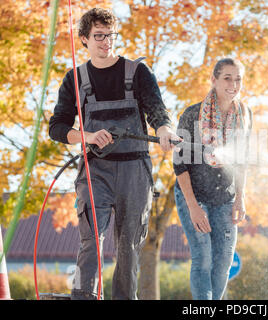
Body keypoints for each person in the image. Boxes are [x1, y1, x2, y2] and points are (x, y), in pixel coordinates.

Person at [48, 8, 180, 300]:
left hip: (135, 172)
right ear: (84, 39)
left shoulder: (137, 72)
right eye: (99, 36)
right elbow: (57, 128)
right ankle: (83, 295)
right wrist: (88, 137)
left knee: (129, 245)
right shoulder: (75, 79)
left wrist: (165, 130)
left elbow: (157, 110)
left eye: (110, 35)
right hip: (96, 170)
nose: (106, 42)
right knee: (90, 240)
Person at [173, 57, 252, 300]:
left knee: (223, 263)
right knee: (203, 258)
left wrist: (240, 198)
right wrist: (193, 207)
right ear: (214, 80)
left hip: (225, 198)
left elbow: (242, 160)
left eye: (238, 79)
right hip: (193, 194)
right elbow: (179, 164)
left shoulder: (245, 114)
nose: (233, 84)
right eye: (227, 78)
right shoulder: (192, 114)